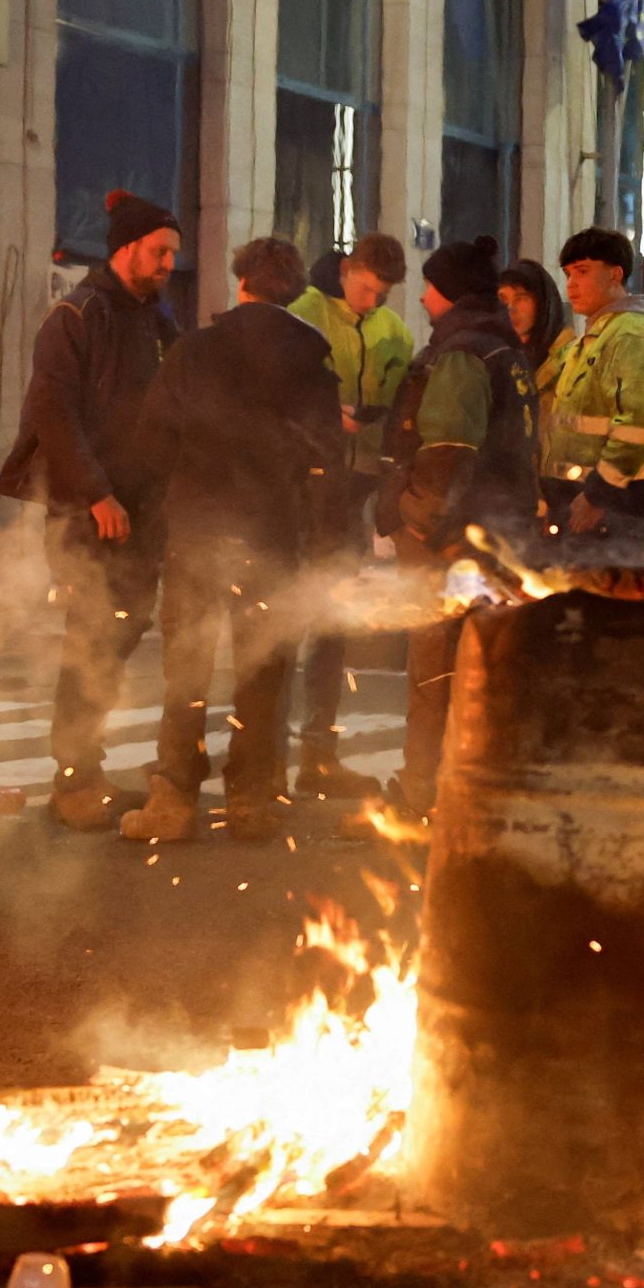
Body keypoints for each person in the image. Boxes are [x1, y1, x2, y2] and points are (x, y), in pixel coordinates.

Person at [118, 238, 342, 842]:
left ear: (240, 280)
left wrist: (171, 502)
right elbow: (328, 459)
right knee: (264, 667)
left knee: (186, 667)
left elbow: (151, 443)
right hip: (272, 537)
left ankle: (173, 797)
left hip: (197, 532)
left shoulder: (194, 353)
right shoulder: (312, 366)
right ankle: (251, 800)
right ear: (293, 293)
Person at [0, 189, 182, 831]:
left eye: (172, 255)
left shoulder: (157, 322)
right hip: (87, 513)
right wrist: (97, 492)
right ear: (126, 249)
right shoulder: (76, 316)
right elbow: (52, 412)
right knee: (91, 639)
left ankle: (89, 770)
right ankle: (73, 780)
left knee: (120, 634)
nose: (167, 265)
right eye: (159, 252)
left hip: (141, 513)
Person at [374, 235, 539, 828]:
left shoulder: (463, 355)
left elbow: (443, 457)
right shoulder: (506, 351)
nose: (421, 298)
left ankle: (423, 800)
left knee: (435, 675)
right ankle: (475, 798)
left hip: (452, 547)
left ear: (447, 293)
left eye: (429, 287)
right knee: (483, 675)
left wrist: (415, 524)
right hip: (495, 541)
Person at [287, 232, 416, 798]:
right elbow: (279, 397)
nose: (371, 301)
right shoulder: (302, 316)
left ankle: (319, 751)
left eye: (382, 293)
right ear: (345, 271)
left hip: (354, 487)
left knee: (332, 619)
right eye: (365, 289)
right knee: (286, 617)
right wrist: (321, 417)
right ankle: (264, 756)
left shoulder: (395, 333)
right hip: (301, 485)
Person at [541, 228, 644, 559]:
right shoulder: (596, 335)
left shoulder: (632, 335)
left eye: (583, 272)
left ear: (616, 274)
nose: (571, 284)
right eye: (568, 274)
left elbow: (639, 425)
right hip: (597, 505)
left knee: (605, 604)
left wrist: (597, 496)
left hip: (619, 509)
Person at [498, 259, 572, 376]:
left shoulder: (571, 359)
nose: (510, 308)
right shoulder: (497, 357)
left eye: (520, 298)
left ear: (542, 303)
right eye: (503, 300)